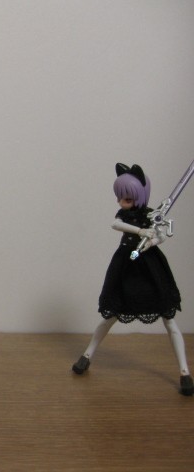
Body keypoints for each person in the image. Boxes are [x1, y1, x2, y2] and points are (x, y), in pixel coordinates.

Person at [72, 163, 193, 395]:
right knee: (111, 315)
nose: (121, 202)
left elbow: (162, 235)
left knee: (169, 319)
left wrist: (152, 240)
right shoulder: (124, 216)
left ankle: (184, 371)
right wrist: (140, 232)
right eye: (119, 197)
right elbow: (115, 224)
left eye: (126, 198)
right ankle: (87, 355)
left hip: (150, 267)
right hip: (125, 265)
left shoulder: (151, 215)